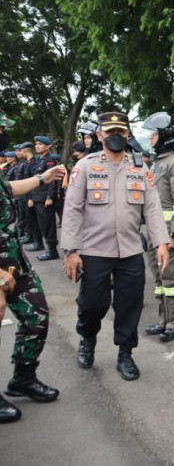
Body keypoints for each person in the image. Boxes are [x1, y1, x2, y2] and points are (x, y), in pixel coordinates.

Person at [61, 111, 170, 381]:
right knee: (92, 304)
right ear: (99, 135)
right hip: (94, 251)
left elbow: (153, 208)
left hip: (130, 250)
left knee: (129, 305)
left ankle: (125, 354)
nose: (115, 137)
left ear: (128, 135)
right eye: (109, 132)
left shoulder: (140, 167)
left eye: (120, 132)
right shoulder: (85, 166)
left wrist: (161, 242)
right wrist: (71, 251)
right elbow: (72, 209)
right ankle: (87, 339)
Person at [0, 111, 66, 424]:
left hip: (15, 262)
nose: (3, 135)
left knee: (36, 315)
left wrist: (43, 178)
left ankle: (23, 377)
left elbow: (8, 190)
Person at [140, 112, 174, 342]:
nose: (151, 138)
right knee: (160, 280)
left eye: (155, 134)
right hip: (155, 233)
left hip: (170, 233)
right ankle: (164, 320)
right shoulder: (157, 163)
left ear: (165, 135)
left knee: (173, 280)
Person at [30, 136, 60, 261]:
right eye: (36, 144)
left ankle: (52, 251)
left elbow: (53, 180)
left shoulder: (50, 160)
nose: (37, 146)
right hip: (37, 197)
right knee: (43, 224)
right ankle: (49, 249)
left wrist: (49, 196)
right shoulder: (38, 160)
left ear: (47, 147)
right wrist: (32, 197)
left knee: (48, 224)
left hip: (44, 198)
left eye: (40, 144)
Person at [20, 142, 43, 253]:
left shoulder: (34, 162)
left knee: (34, 220)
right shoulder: (26, 162)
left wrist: (31, 198)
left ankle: (38, 243)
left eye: (21, 151)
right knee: (30, 219)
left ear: (25, 151)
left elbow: (33, 182)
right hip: (25, 196)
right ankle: (35, 241)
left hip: (31, 196)